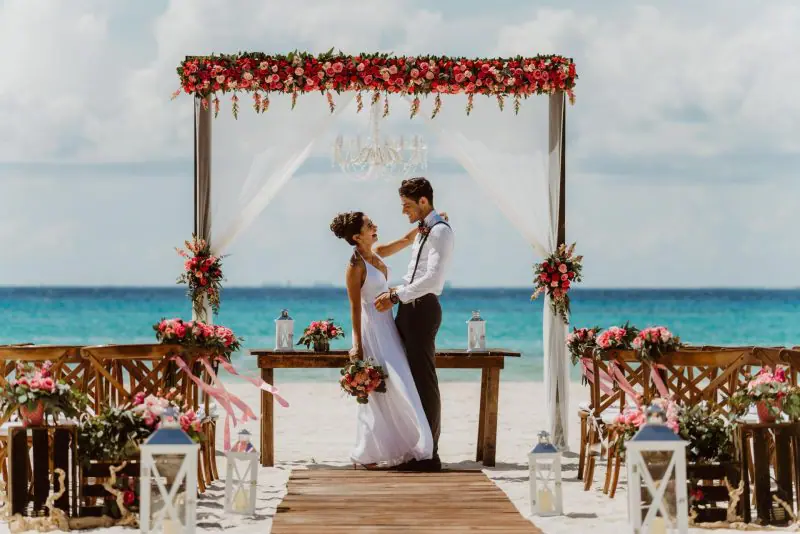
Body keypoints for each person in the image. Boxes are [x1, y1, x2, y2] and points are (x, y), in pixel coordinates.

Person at [330, 211, 435, 469]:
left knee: (401, 384)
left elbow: (404, 240)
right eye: (369, 225)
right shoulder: (355, 266)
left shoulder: (375, 253)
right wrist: (357, 344)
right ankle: (369, 452)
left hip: (389, 326)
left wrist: (429, 222)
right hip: (373, 330)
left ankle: (406, 445)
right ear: (356, 236)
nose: (375, 225)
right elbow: (355, 308)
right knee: (383, 389)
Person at [374, 177, 454, 472]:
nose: (404, 212)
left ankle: (430, 456)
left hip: (423, 310)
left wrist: (395, 295)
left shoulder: (441, 233)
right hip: (409, 307)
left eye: (408, 206)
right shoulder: (424, 230)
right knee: (407, 380)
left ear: (423, 201)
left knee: (423, 380)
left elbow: (433, 279)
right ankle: (415, 448)